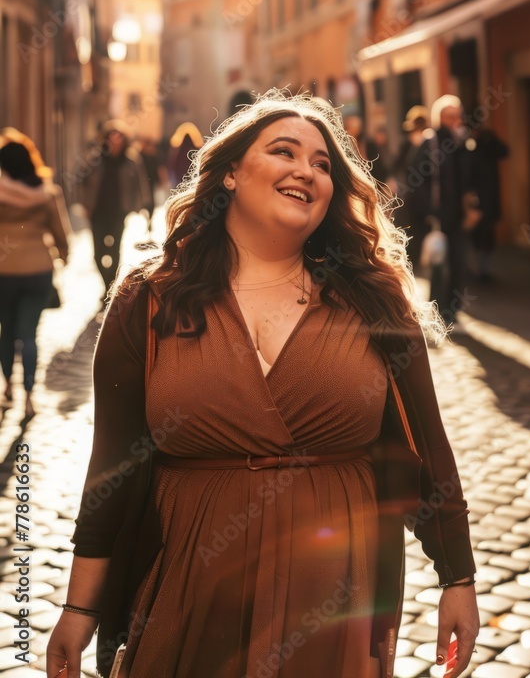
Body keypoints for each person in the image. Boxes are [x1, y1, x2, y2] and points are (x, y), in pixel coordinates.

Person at [47, 90, 479, 678]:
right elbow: (113, 468)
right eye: (284, 151)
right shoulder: (147, 303)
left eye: (323, 163)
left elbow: (423, 446)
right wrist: (80, 606)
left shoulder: (372, 301)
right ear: (228, 174)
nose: (306, 170)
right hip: (190, 584)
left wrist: (458, 576)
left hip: (336, 593)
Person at [0, 135, 71, 418]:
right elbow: (60, 231)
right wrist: (63, 255)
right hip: (38, 269)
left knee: (6, 333)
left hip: (4, 271)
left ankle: (8, 388)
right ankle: (29, 397)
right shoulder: (46, 192)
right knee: (29, 335)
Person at [408, 96, 473, 321]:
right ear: (442, 118)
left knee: (457, 263)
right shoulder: (431, 142)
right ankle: (439, 312)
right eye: (453, 116)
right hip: (437, 217)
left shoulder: (461, 142)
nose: (458, 120)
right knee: (438, 264)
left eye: (459, 116)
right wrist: (429, 212)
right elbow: (415, 180)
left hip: (457, 216)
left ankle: (451, 312)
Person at [81, 120, 150, 297]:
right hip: (97, 212)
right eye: (112, 137)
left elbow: (140, 184)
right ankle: (107, 283)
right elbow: (82, 182)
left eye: (119, 138)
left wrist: (141, 206)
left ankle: (110, 287)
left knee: (114, 250)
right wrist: (85, 204)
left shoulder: (131, 160)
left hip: (119, 212)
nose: (115, 141)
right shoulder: (95, 159)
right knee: (98, 253)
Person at [468, 127, 509, 282]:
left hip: (490, 198)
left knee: (488, 233)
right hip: (476, 199)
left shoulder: (490, 148)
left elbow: (505, 151)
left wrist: (491, 138)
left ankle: (485, 270)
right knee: (477, 234)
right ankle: (478, 268)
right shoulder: (470, 149)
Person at [392, 106, 430, 269]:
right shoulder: (407, 144)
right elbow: (397, 165)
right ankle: (412, 260)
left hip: (424, 195)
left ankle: (420, 260)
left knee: (422, 228)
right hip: (409, 194)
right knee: (410, 228)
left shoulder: (429, 143)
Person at [167, 121, 204, 189]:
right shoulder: (197, 150)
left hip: (180, 180)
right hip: (193, 180)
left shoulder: (178, 151)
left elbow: (173, 165)